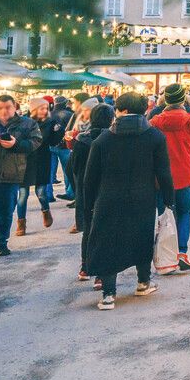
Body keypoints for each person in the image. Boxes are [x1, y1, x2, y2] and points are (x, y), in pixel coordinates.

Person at [83, 92, 174, 310]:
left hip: (109, 197)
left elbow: (90, 177)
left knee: (108, 241)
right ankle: (143, 282)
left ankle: (108, 294)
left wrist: (88, 205)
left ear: (119, 110)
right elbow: (164, 173)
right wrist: (169, 200)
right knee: (142, 237)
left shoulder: (103, 140)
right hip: (143, 197)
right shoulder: (155, 137)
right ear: (145, 110)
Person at [152, 83, 190, 271]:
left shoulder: (155, 122)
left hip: (160, 178)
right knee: (184, 213)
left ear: (165, 99)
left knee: (164, 216)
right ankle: (182, 252)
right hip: (185, 174)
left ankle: (166, 257)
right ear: (183, 99)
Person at [0, 95, 42, 256]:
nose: (4, 111)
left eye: (7, 107)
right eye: (0, 108)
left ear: (14, 107)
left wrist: (16, 144)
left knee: (5, 211)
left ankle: (0, 243)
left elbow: (35, 142)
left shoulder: (27, 123)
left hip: (11, 174)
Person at [71, 103, 113, 281]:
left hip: (85, 189)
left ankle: (85, 267)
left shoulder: (82, 139)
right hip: (106, 189)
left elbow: (72, 167)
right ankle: (101, 275)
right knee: (106, 230)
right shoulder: (112, 139)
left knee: (88, 228)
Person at [16, 97, 55, 236]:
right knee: (23, 195)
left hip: (42, 160)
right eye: (42, 108)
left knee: (41, 193)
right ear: (34, 109)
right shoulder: (22, 122)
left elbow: (53, 142)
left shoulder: (50, 122)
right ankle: (21, 223)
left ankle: (46, 211)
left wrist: (58, 131)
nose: (45, 111)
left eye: (46, 108)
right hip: (25, 161)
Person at [65, 97, 100, 233]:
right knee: (80, 191)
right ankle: (80, 222)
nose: (84, 113)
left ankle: (85, 222)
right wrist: (70, 137)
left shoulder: (98, 123)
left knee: (87, 191)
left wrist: (77, 136)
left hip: (89, 159)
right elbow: (70, 143)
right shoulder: (78, 119)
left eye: (87, 110)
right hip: (77, 157)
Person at [47, 96, 75, 201]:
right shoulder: (70, 115)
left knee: (49, 170)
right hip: (65, 146)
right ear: (65, 103)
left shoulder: (49, 114)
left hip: (50, 145)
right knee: (67, 170)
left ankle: (48, 195)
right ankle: (70, 192)